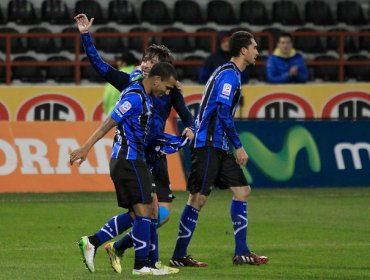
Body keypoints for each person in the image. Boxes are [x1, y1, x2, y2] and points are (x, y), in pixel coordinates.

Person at [73, 14, 194, 274]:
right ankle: (143, 262)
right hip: (133, 154)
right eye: (146, 60)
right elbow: (99, 66)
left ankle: (129, 253)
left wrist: (191, 127)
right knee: (147, 210)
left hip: (153, 152)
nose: (147, 65)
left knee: (157, 213)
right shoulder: (134, 87)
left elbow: (186, 114)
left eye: (154, 62)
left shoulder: (168, 90)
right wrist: (85, 36)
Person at [169, 31, 269, 268]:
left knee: (242, 190)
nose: (257, 51)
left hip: (218, 146)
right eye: (254, 47)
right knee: (197, 199)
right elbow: (223, 112)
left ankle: (241, 252)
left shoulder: (228, 72)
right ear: (243, 50)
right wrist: (239, 146)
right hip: (208, 145)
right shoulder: (229, 76)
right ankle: (178, 256)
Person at [70, 62, 178, 276]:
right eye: (167, 87)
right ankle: (141, 266)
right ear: (156, 80)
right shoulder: (135, 97)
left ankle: (93, 242)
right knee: (145, 211)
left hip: (135, 160)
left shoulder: (144, 94)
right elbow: (110, 121)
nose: (167, 92)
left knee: (144, 212)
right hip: (128, 160)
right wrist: (86, 147)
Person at [103, 51, 138, 115]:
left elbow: (107, 97)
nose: (117, 63)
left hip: (114, 114)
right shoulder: (139, 75)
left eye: (119, 60)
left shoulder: (115, 75)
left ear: (124, 63)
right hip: (134, 115)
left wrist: (108, 112)